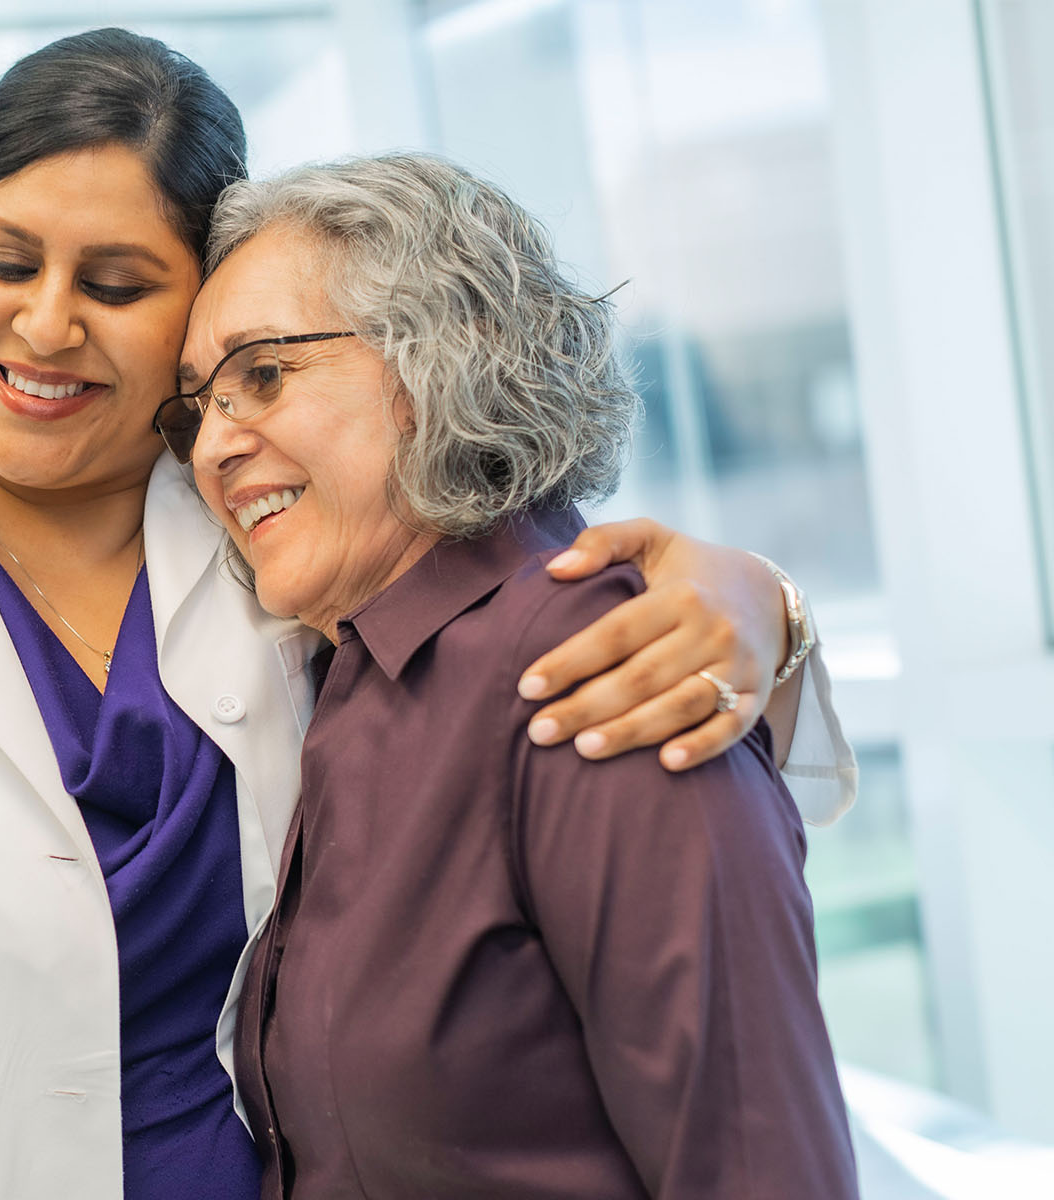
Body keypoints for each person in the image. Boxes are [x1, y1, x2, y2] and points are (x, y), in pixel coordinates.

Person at [0, 29, 854, 1200]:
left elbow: (589, 682)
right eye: (1, 261)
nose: (44, 325)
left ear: (192, 307)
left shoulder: (295, 553)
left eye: (115, 286)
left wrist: (767, 614)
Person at [175, 153, 858, 1197]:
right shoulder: (353, 685)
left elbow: (757, 1168)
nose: (213, 444)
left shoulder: (589, 668)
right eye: (194, 409)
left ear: (442, 357)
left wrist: (774, 609)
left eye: (260, 374)